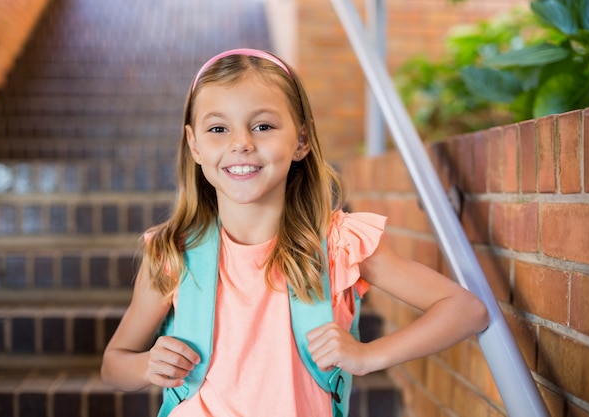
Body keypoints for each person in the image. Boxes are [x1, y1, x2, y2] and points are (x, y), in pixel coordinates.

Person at [101, 48, 489, 416]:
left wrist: (370, 356)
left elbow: (466, 310)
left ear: (301, 140)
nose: (241, 144)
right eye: (218, 128)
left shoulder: (338, 246)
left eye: (263, 126)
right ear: (195, 145)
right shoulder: (172, 253)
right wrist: (147, 365)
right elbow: (113, 364)